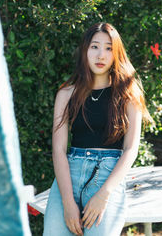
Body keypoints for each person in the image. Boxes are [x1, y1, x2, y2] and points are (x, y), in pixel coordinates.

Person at [43, 23, 152, 236]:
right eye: (94, 47)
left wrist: (104, 194)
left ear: (116, 53)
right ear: (85, 51)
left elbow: (131, 149)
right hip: (69, 177)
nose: (101, 55)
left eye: (109, 48)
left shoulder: (129, 94)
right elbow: (58, 150)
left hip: (107, 176)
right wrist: (67, 201)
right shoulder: (66, 94)